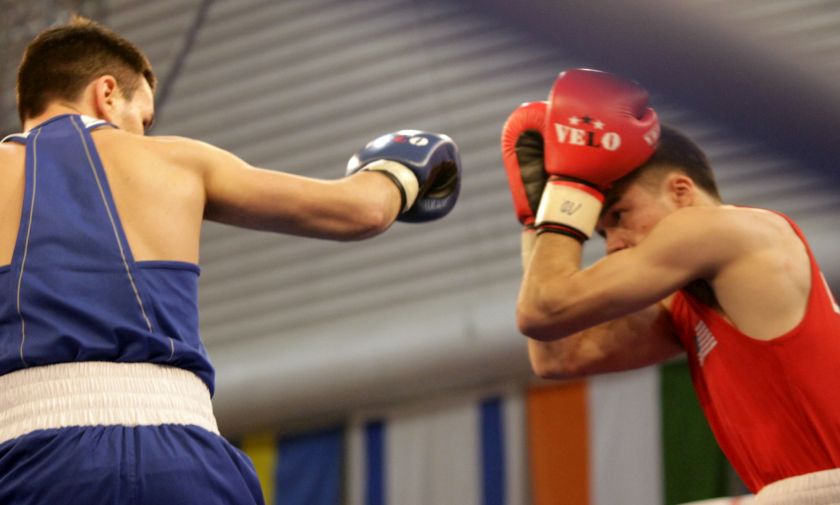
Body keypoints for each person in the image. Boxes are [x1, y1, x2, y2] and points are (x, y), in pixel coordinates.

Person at [0, 15, 460, 505]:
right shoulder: (178, 161)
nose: (145, 135)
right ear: (107, 93)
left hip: (31, 459)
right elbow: (362, 210)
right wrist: (400, 168)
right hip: (182, 455)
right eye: (144, 120)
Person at [502, 68, 840, 503]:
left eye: (619, 216)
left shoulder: (722, 230)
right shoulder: (686, 300)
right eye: (602, 233)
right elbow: (557, 354)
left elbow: (545, 308)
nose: (614, 245)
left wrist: (573, 188)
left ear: (681, 191)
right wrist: (537, 222)